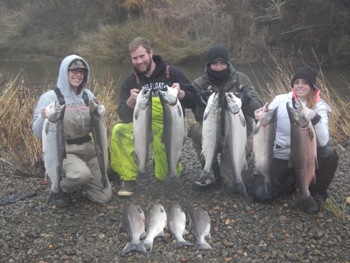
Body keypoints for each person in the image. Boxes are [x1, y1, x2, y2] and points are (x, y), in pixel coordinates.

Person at [110, 37, 197, 197]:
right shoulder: (131, 81)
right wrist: (130, 102)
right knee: (118, 131)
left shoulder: (172, 73)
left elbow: (194, 100)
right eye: (134, 58)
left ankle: (164, 163)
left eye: (142, 56)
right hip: (141, 128)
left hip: (167, 129)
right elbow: (123, 116)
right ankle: (128, 177)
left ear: (151, 53)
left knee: (166, 175)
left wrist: (182, 93)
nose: (139, 61)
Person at [250, 67, 338, 213]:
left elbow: (323, 141)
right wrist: (259, 116)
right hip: (282, 155)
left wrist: (315, 118)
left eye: (305, 82)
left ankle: (315, 193)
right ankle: (291, 181)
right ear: (292, 85)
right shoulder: (280, 100)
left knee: (329, 153)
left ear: (312, 86)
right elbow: (264, 121)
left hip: (307, 156)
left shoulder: (319, 106)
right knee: (259, 194)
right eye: (296, 82)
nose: (300, 85)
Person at [32, 55, 113, 207]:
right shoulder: (49, 97)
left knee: (104, 197)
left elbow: (98, 122)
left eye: (82, 72)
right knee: (80, 174)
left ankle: (84, 182)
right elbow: (36, 132)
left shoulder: (88, 95)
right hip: (64, 151)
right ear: (64, 72)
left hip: (89, 148)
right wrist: (44, 118)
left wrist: (101, 112)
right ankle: (59, 188)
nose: (78, 75)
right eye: (74, 71)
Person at [188, 44, 263, 192]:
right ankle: (210, 170)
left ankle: (232, 170)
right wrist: (199, 101)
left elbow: (258, 108)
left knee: (236, 183)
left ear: (228, 63)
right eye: (214, 63)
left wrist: (246, 101)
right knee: (195, 131)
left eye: (222, 63)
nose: (218, 67)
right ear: (208, 65)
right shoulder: (199, 83)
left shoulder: (242, 79)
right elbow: (197, 116)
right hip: (213, 134)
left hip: (238, 135)